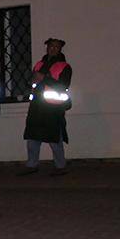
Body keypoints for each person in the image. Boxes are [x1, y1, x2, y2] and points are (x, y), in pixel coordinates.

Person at [20, 37, 72, 175]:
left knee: (54, 138)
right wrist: (30, 81)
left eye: (56, 46)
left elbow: (63, 85)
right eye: (51, 46)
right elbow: (32, 83)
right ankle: (32, 165)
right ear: (47, 48)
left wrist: (44, 78)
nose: (53, 48)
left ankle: (60, 166)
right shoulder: (39, 64)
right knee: (32, 137)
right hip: (36, 106)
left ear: (60, 49)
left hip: (53, 108)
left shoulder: (64, 66)